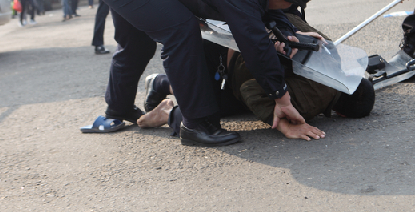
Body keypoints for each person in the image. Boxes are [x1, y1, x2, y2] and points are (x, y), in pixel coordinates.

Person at [89, 0, 321, 146]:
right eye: (291, 4)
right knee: (181, 31)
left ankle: (117, 108)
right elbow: (254, 45)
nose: (290, 9)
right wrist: (282, 98)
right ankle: (196, 125)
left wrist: (287, 30)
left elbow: (266, 5)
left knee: (136, 43)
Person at [139, 14, 375, 141]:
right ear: (341, 113)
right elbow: (251, 90)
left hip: (231, 26)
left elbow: (290, 19)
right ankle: (168, 112)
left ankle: (160, 83)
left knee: (210, 100)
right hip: (226, 53)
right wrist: (283, 125)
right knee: (205, 113)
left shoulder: (330, 51)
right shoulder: (312, 103)